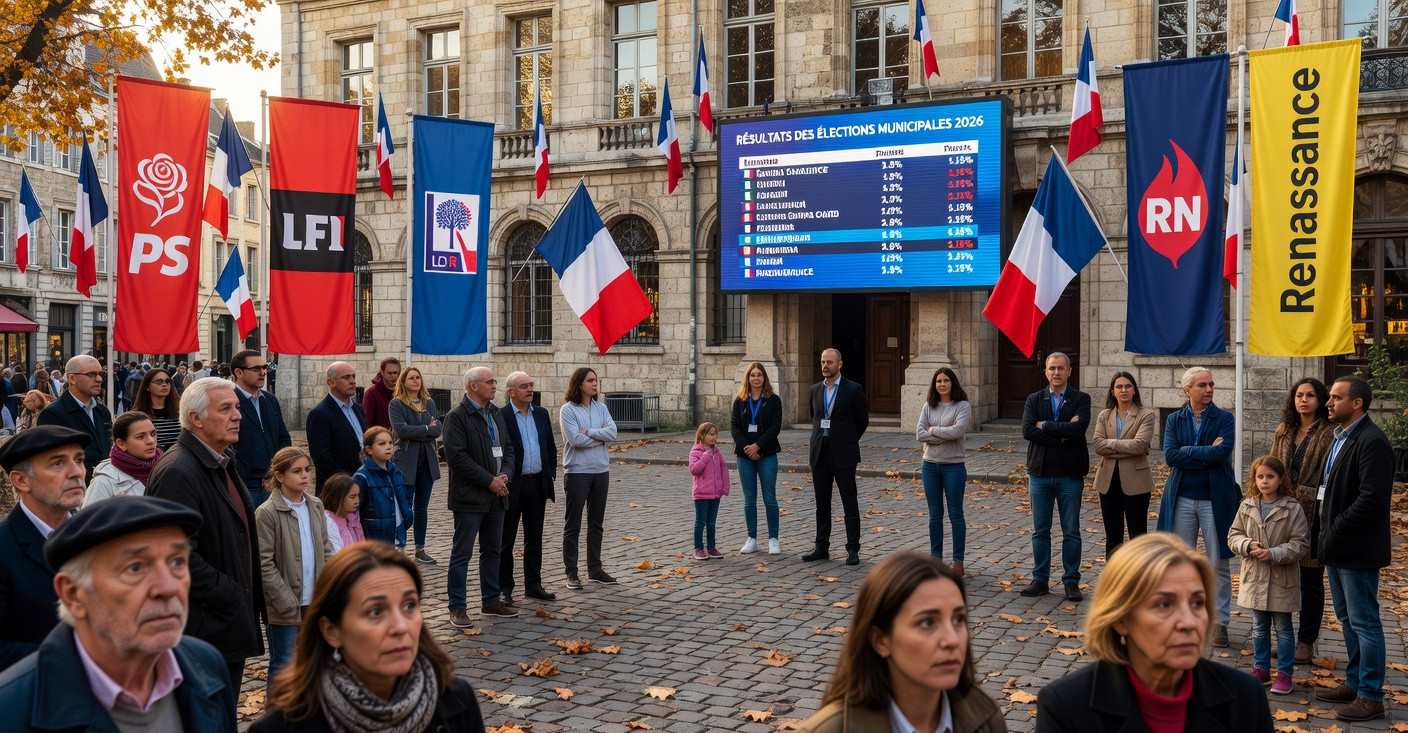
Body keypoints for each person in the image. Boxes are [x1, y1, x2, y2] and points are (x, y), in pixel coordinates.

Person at [0, 496, 237, 732]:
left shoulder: (207, 665)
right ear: (72, 593)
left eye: (177, 562)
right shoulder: (11, 710)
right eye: (135, 567)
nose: (168, 587)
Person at [1036, 532, 1273, 732]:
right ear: (1120, 619)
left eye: (1197, 603)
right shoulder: (1066, 708)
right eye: (1164, 605)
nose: (1188, 622)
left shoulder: (1245, 698)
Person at [249, 541, 485, 732]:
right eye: (375, 611)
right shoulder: (281, 727)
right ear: (332, 631)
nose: (400, 627)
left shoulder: (458, 700)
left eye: (409, 605)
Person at [795, 551, 1005, 733]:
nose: (952, 640)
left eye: (958, 618)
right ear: (880, 641)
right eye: (927, 622)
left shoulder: (986, 719)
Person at [144, 377, 265, 692]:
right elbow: (173, 557)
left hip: (225, 624)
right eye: (225, 408)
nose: (237, 415)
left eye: (237, 407)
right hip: (204, 630)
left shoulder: (221, 460)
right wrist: (231, 593)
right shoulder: (178, 472)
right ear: (196, 419)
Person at [1313, 376, 1394, 722]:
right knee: (1347, 619)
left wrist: (1336, 528)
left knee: (1365, 621)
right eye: (1329, 397)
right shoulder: (1339, 437)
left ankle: (1371, 695)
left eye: (1335, 397)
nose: (1327, 402)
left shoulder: (1372, 441)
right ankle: (1355, 681)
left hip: (1356, 547)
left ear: (1357, 403)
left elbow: (1372, 500)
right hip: (1336, 545)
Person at [1155, 366, 1236, 647]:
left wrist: (1188, 450)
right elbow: (1170, 456)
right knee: (1180, 562)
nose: (1210, 389)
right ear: (1187, 390)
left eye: (1212, 384)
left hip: (1216, 500)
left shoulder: (1225, 418)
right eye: (1202, 385)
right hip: (1183, 499)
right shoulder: (1175, 420)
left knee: (1217, 562)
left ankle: (1219, 623)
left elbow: (1222, 452)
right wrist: (1202, 453)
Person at [0, 426, 90, 670]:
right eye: (58, 464)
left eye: (79, 459)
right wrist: (78, 658)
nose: (77, 472)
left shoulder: (94, 535)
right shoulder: (4, 546)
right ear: (21, 480)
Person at [443, 366, 518, 627]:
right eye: (490, 381)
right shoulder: (457, 416)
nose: (495, 385)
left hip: (498, 494)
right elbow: (458, 457)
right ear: (473, 386)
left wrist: (505, 475)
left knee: (492, 551)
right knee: (461, 553)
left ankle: (490, 600)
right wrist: (489, 481)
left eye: (495, 380)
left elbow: (507, 448)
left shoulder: (495, 413)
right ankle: (457, 607)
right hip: (470, 497)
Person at [1227, 455, 1308, 696]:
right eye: (1260, 477)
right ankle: (1261, 668)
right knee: (1259, 627)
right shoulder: (1247, 505)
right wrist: (1248, 545)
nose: (1264, 481)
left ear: (1281, 479)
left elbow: (1301, 543)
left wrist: (1274, 553)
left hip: (1282, 579)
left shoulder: (1292, 508)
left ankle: (1284, 673)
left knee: (1283, 627)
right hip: (1255, 578)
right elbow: (1233, 535)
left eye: (1270, 477)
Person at [1268, 377, 1333, 665]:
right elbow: (1271, 465)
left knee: (1310, 578)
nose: (1303, 400)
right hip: (1282, 509)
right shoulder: (1284, 430)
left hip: (1314, 513)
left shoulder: (1330, 432)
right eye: (1298, 395)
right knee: (1280, 576)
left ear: (1320, 399)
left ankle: (1306, 641)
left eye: (1309, 395)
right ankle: (1284, 638)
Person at [257, 446, 332, 695]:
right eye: (297, 471)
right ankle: (276, 716)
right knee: (282, 664)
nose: (305, 476)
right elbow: (264, 563)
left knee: (313, 660)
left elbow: (325, 547)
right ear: (279, 476)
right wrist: (286, 600)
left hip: (315, 599)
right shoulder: (267, 513)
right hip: (285, 604)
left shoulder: (316, 505)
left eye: (307, 470)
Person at [1019, 352, 1091, 602]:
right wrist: (1063, 434)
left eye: (1061, 368)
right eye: (1052, 368)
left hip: (1070, 475)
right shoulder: (1034, 399)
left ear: (1070, 371)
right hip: (1039, 473)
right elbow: (1028, 430)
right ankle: (1040, 579)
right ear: (1046, 371)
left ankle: (1071, 582)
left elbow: (1079, 429)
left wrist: (1046, 426)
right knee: (1041, 530)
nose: (1056, 373)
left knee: (1071, 530)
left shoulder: (1081, 399)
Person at [804, 348, 870, 566]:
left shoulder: (853, 389)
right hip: (819, 453)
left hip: (843, 454)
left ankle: (852, 549)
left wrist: (847, 440)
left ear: (839, 364)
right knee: (822, 504)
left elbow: (862, 421)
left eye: (829, 362)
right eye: (823, 361)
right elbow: (815, 417)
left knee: (849, 503)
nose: (825, 366)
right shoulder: (815, 389)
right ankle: (821, 547)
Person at [500, 371, 560, 602]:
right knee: (506, 539)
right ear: (511, 392)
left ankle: (533, 585)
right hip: (512, 485)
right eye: (524, 386)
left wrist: (550, 474)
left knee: (534, 538)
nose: (530, 389)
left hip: (537, 484)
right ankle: (505, 587)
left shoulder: (542, 414)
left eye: (531, 385)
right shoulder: (501, 415)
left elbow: (550, 448)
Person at [560, 367, 617, 588]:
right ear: (579, 384)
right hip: (577, 471)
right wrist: (599, 435)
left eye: (596, 380)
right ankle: (571, 572)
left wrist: (590, 432)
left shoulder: (601, 407)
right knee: (573, 524)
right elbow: (575, 440)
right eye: (590, 380)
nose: (595, 384)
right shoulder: (568, 410)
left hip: (601, 471)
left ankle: (595, 569)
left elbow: (613, 433)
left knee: (596, 523)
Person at [1092, 371, 1156, 557]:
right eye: (1119, 387)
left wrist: (1110, 444)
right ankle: (1113, 580)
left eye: (1128, 386)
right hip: (1108, 482)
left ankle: (1139, 580)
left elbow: (1140, 445)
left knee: (1138, 536)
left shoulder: (1146, 415)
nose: (1124, 390)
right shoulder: (1105, 415)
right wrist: (1123, 447)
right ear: (1113, 391)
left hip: (1137, 482)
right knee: (1113, 536)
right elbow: (1097, 444)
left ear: (1134, 390)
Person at [916, 367, 971, 577]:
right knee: (935, 515)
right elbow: (919, 433)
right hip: (930, 465)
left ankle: (958, 561)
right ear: (934, 384)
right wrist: (944, 434)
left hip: (954, 466)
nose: (942, 384)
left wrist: (933, 431)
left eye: (946, 380)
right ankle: (936, 560)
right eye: (938, 381)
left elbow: (958, 431)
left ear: (952, 383)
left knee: (956, 515)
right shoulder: (928, 406)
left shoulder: (962, 406)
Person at [389, 366, 441, 565]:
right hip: (406, 461)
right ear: (403, 381)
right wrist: (427, 427)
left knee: (422, 508)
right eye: (411, 378)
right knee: (404, 507)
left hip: (426, 461)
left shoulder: (429, 403)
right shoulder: (397, 404)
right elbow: (401, 430)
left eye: (418, 377)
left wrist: (421, 430)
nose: (415, 381)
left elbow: (439, 431)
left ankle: (420, 549)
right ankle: (399, 547)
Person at [730, 361, 783, 555]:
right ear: (748, 378)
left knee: (770, 498)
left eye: (759, 375)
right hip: (744, 456)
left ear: (764, 378)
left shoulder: (774, 400)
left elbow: (775, 427)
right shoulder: (740, 401)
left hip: (767, 454)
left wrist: (758, 446)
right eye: (752, 375)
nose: (756, 378)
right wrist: (748, 448)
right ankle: (751, 538)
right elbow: (734, 427)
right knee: (749, 499)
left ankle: (773, 539)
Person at [233, 349, 293, 509]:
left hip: (272, 482)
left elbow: (283, 437)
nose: (263, 372)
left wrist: (283, 468)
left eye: (265, 367)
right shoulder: (230, 401)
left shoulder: (270, 400)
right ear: (239, 372)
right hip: (245, 484)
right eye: (256, 369)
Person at [36, 354, 112, 482]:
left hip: (105, 486)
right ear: (72, 378)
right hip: (74, 488)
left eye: (101, 374)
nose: (99, 379)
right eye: (92, 374)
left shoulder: (102, 411)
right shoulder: (53, 413)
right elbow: (51, 460)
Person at [306, 362, 367, 497]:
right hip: (337, 490)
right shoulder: (320, 413)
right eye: (346, 377)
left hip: (362, 483)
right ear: (331, 382)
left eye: (353, 377)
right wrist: (344, 482)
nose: (352, 381)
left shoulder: (358, 409)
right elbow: (321, 456)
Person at [83, 411, 162, 506]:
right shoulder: (104, 482)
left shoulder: (165, 469)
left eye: (153, 434)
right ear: (121, 443)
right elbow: (91, 519)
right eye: (140, 437)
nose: (151, 441)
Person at [353, 426, 411, 547]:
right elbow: (355, 511)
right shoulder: (362, 477)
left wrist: (408, 516)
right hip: (375, 538)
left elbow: (403, 500)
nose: (388, 446)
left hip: (397, 532)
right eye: (382, 444)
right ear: (369, 449)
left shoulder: (396, 472)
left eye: (390, 443)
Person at [689, 422, 731, 561]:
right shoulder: (696, 451)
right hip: (701, 494)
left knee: (712, 522)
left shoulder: (717, 452)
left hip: (715, 494)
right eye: (711, 434)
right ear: (702, 435)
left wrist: (724, 487)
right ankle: (698, 548)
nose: (714, 437)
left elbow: (723, 469)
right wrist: (705, 456)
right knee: (700, 522)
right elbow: (694, 470)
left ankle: (712, 547)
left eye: (715, 434)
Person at [130, 367, 183, 450]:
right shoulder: (138, 415)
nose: (164, 384)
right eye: (159, 382)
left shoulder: (180, 411)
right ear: (147, 387)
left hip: (178, 459)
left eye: (167, 381)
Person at [321, 474, 365, 554]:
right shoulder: (329, 523)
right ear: (336, 498)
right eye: (352, 497)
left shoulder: (352, 520)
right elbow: (337, 554)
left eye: (357, 495)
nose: (357, 500)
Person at [361, 357, 401, 430]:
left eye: (396, 373)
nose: (394, 376)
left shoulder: (403, 392)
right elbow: (366, 422)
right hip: (380, 438)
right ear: (382, 373)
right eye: (390, 373)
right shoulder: (371, 392)